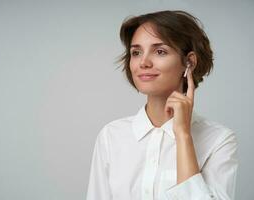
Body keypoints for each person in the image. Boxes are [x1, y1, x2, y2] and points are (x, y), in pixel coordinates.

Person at [86, 10, 238, 200]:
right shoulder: (111, 136)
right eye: (136, 52)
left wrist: (183, 135)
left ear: (189, 62)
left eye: (160, 51)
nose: (143, 62)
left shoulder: (218, 140)